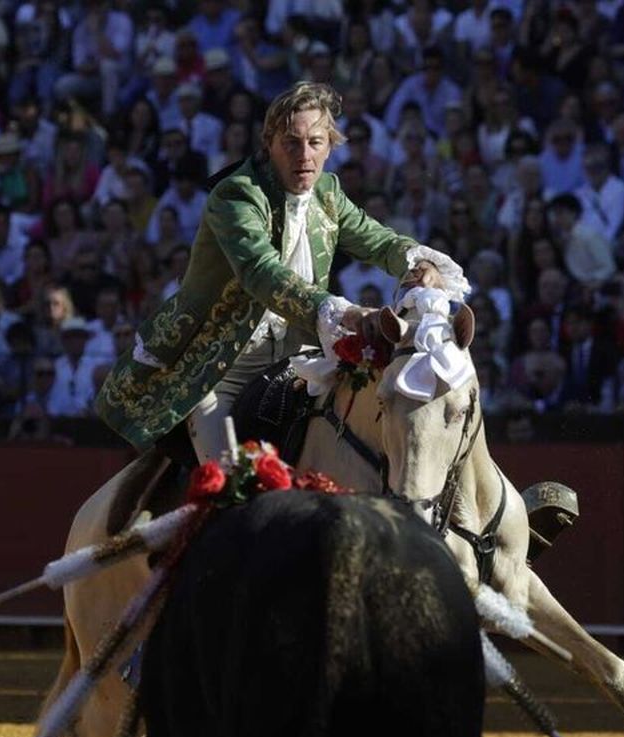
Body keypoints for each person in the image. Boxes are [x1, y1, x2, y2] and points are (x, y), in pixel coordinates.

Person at [95, 81, 462, 462]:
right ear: (269, 143)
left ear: (331, 146)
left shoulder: (328, 192)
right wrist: (347, 312)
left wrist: (417, 263)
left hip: (303, 362)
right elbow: (262, 272)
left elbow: (378, 240)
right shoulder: (236, 194)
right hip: (223, 366)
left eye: (316, 143)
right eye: (291, 142)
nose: (305, 155)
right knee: (230, 481)